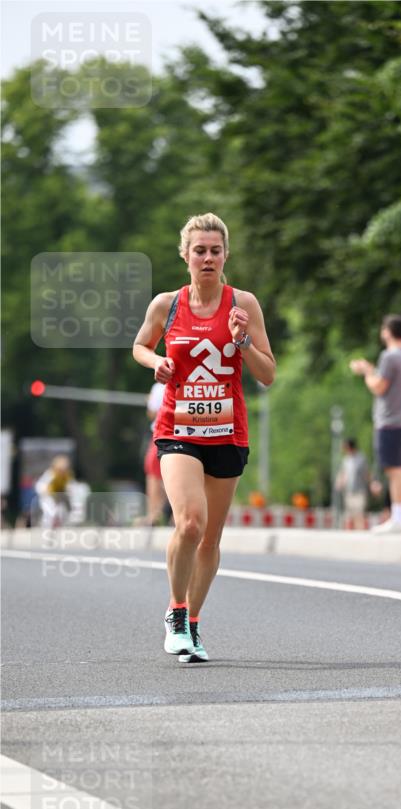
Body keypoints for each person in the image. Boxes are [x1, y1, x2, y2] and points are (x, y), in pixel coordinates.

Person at [132, 212, 276, 663]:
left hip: (227, 433)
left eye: (215, 250)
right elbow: (139, 345)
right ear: (186, 255)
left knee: (211, 539)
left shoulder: (243, 305)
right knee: (189, 523)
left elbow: (268, 374)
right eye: (200, 250)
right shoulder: (166, 305)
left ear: (226, 254)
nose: (208, 258)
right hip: (178, 429)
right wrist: (155, 363)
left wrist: (243, 342)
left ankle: (193, 624)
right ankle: (175, 614)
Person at [350, 314, 401, 533]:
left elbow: (379, 387)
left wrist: (367, 371)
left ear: (388, 332)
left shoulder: (389, 357)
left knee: (394, 470)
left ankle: (398, 519)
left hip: (390, 421)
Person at [142, 380, 167, 525]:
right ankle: (164, 514)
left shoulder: (159, 387)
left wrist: (149, 400)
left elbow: (152, 413)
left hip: (161, 433)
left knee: (153, 473)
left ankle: (154, 513)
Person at [335, 438, 369, 530]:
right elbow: (342, 472)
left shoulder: (361, 459)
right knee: (348, 515)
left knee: (358, 513)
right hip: (348, 491)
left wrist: (372, 484)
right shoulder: (346, 460)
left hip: (359, 491)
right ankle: (348, 535)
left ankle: (360, 534)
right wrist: (339, 481)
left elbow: (366, 474)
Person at [34, 454, 74, 528]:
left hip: (59, 498)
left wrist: (68, 492)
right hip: (48, 498)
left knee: (63, 513)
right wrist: (45, 491)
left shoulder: (67, 476)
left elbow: (69, 486)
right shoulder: (51, 474)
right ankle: (45, 529)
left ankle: (62, 528)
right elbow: (39, 486)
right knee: (50, 513)